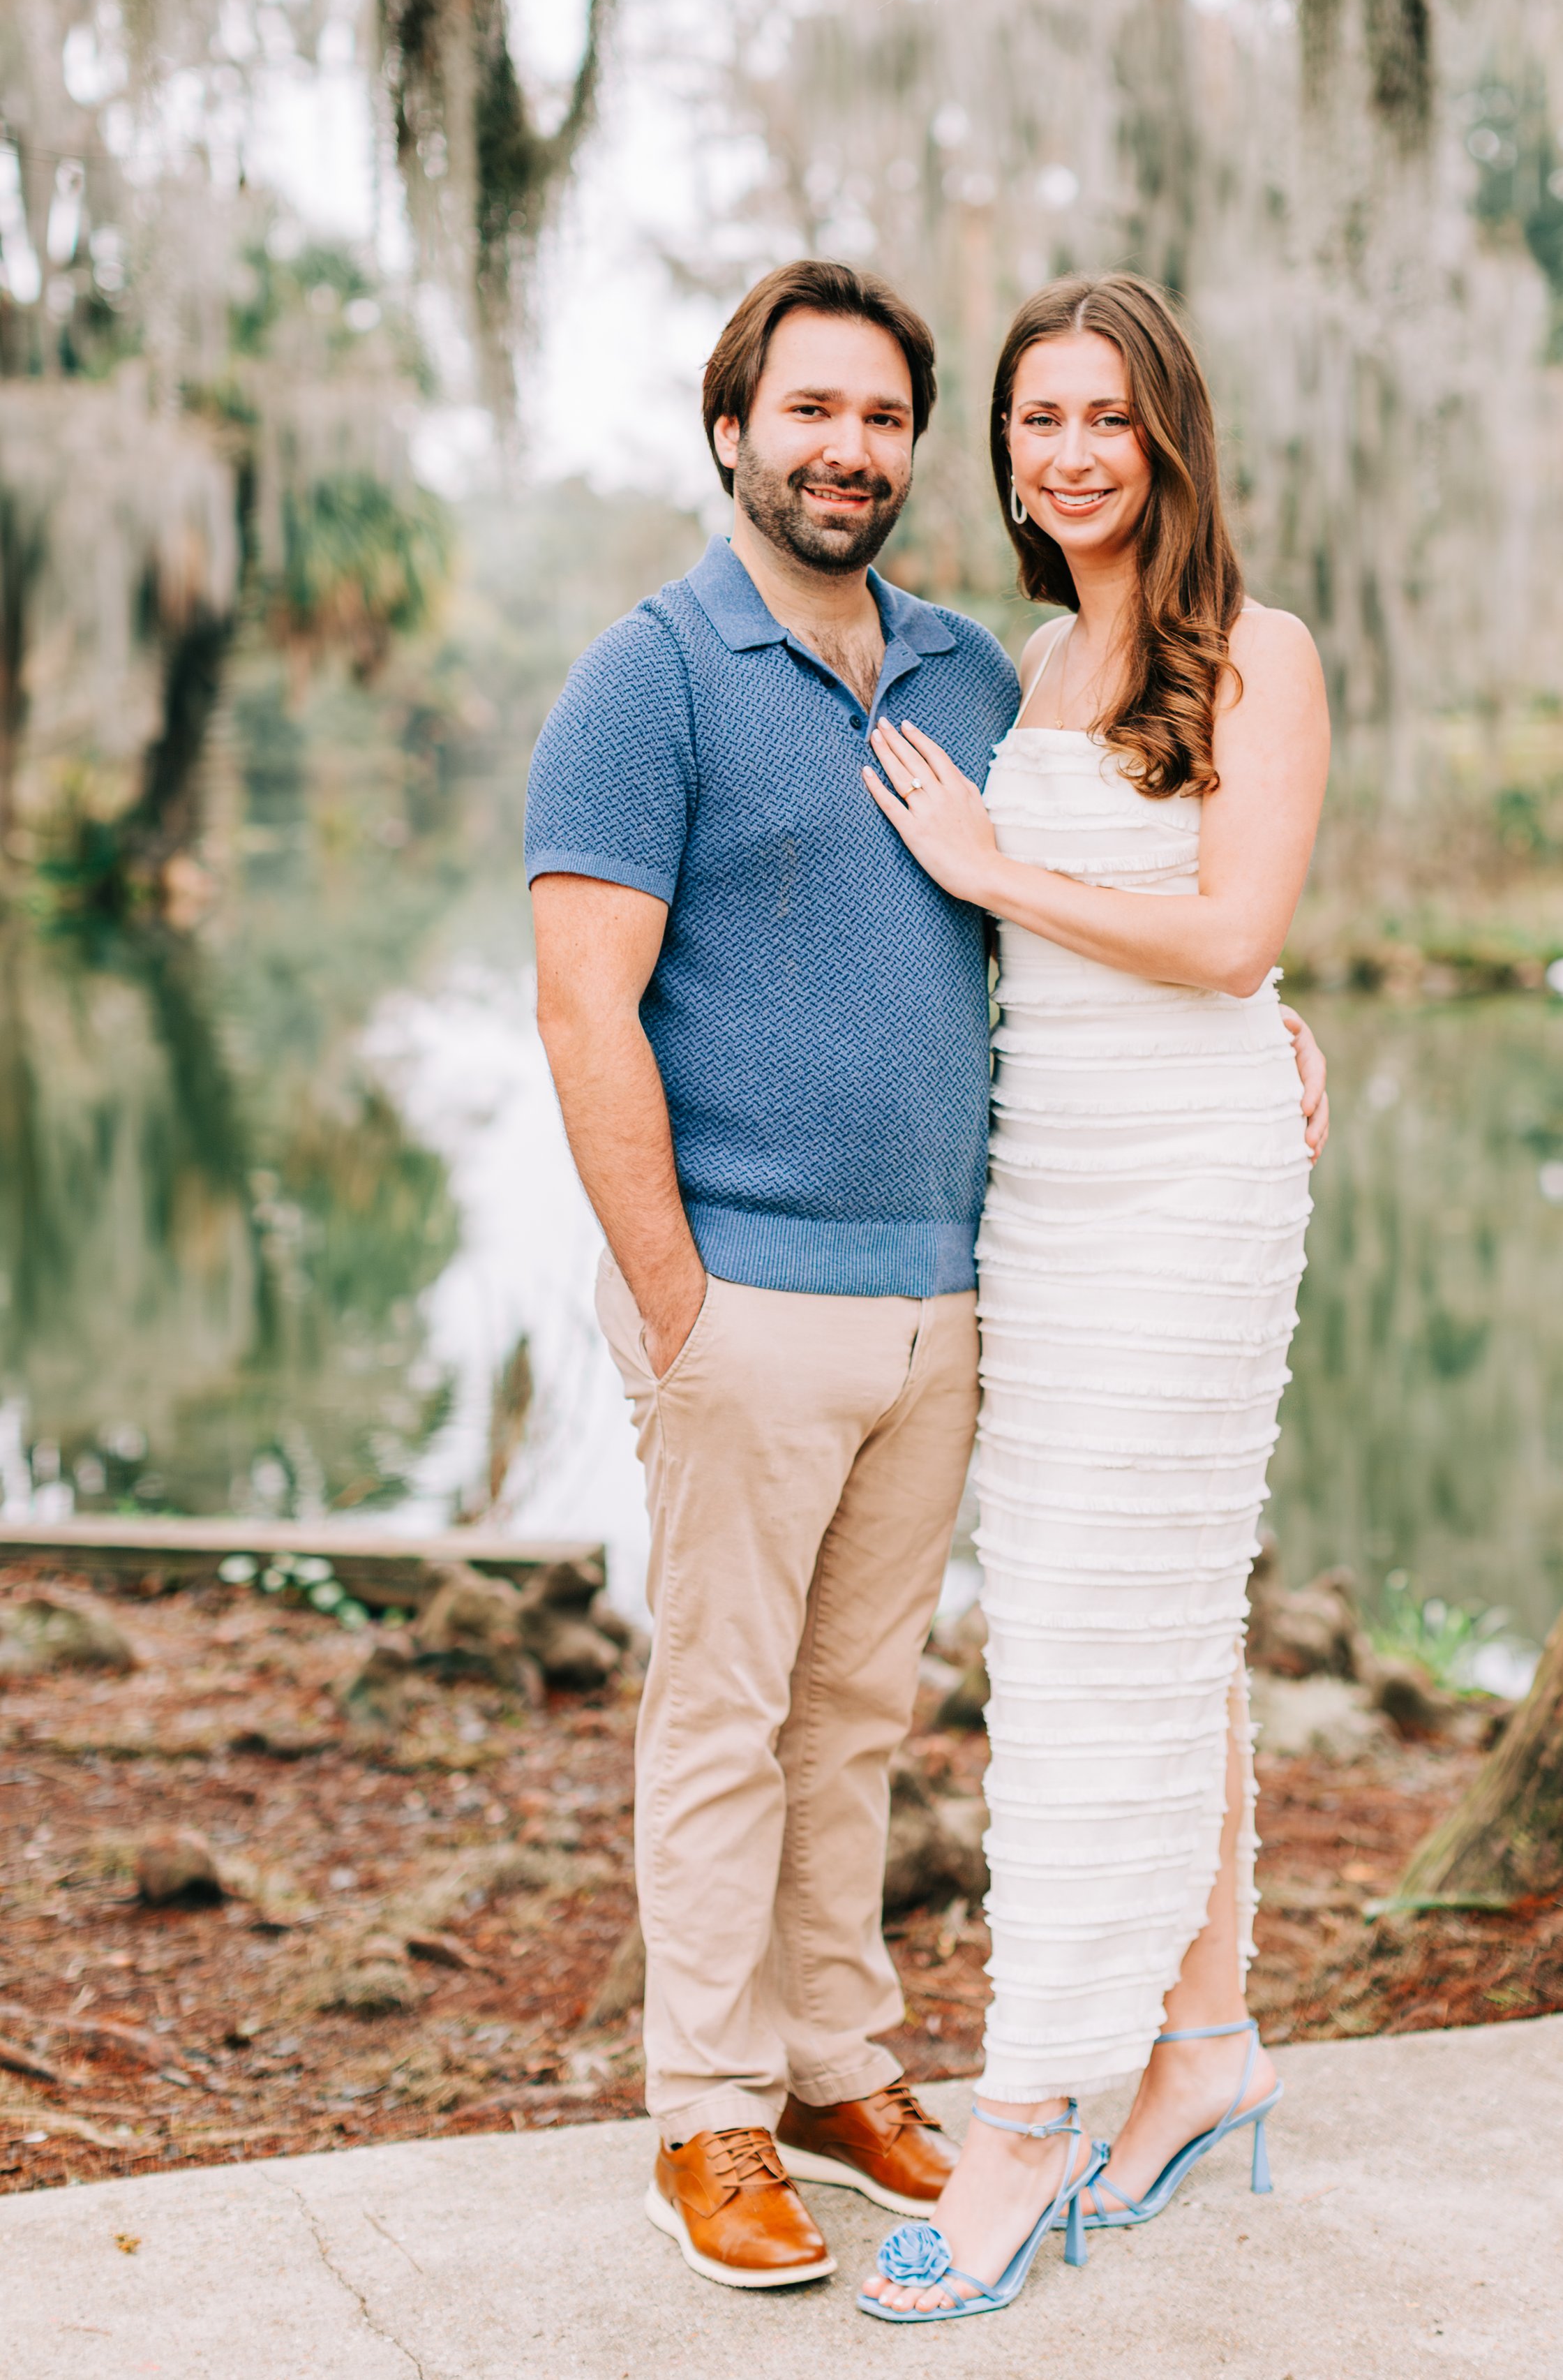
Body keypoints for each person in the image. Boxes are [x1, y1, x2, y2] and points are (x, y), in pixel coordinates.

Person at [526, 259, 1329, 2295]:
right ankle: (709, 2113)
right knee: (727, 1709)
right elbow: (579, 1008)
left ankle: (837, 2066)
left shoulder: (979, 669)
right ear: (733, 433)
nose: (845, 449)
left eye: (880, 418)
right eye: (808, 413)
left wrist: (1269, 1016)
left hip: (964, 1281)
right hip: (749, 1292)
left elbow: (1141, 888)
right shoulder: (649, 676)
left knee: (865, 1708)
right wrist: (672, 1296)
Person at [855, 272, 1330, 2326]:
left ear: (1167, 443)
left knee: (1083, 1645)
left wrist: (1001, 877)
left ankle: (1030, 2117)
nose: (1067, 453)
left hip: (1192, 1189)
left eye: (1106, 420)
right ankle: (1203, 2049)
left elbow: (1230, 938)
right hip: (1041, 1193)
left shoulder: (1263, 654)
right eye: (1038, 418)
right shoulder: (1028, 662)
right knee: (1145, 1613)